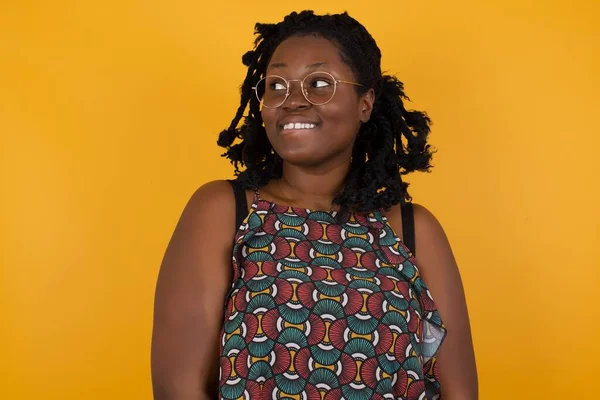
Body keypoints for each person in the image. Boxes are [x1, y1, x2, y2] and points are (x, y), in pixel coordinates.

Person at [151, 10, 478, 400]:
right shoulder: (225, 211)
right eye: (276, 86)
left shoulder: (412, 231)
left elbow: (460, 393)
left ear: (365, 103)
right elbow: (178, 387)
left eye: (319, 83)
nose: (292, 101)